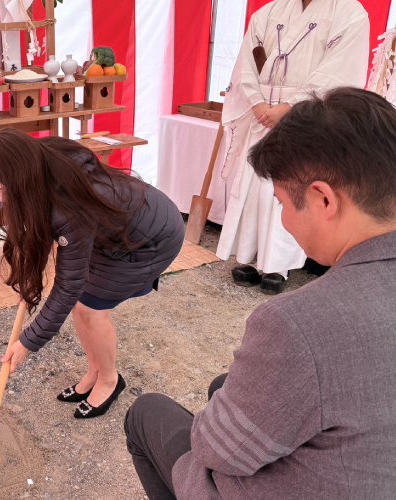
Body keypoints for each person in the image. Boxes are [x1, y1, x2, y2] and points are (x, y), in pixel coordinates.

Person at [124, 87, 396, 499]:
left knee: (147, 413)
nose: (284, 220)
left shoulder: (300, 323)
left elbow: (216, 449)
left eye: (283, 204)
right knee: (224, 387)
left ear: (324, 199)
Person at [0, 129, 184, 419]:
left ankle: (109, 380)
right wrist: (29, 278)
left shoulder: (70, 206)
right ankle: (94, 371)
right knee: (80, 307)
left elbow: (68, 284)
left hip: (149, 239)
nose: (1, 199)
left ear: (21, 177)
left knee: (92, 310)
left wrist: (28, 341)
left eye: (3, 189)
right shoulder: (39, 165)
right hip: (111, 233)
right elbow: (42, 232)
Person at [217, 0, 370, 294]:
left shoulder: (349, 12)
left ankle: (278, 265)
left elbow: (338, 72)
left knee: (292, 188)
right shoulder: (269, 11)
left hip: (309, 116)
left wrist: (290, 106)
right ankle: (249, 257)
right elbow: (247, 63)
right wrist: (257, 102)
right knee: (255, 187)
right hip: (261, 111)